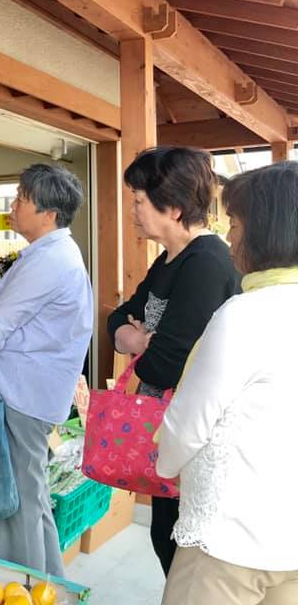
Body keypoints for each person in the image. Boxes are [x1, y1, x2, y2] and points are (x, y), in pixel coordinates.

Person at [158, 161, 298, 604]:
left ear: (265, 232)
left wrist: (166, 465)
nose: (230, 237)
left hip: (229, 542)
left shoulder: (246, 314)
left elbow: (187, 426)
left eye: (235, 224)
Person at [107, 146, 240, 576]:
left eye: (139, 200)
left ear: (174, 208)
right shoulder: (168, 261)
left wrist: (142, 344)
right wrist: (134, 337)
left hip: (195, 446)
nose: (133, 210)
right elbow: (117, 317)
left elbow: (165, 365)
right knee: (165, 539)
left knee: (183, 556)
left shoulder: (206, 263)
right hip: (166, 433)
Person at [0, 164, 92, 578]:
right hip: (33, 393)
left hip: (23, 396)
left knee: (13, 505)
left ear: (48, 214)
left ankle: (22, 587)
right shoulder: (51, 253)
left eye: (21, 198)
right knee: (31, 499)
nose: (13, 206)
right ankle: (50, 587)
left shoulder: (50, 260)